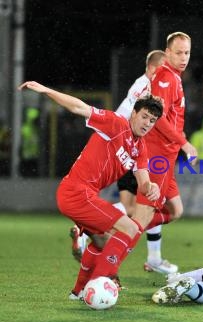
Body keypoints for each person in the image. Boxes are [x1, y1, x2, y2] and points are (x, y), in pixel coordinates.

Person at [18, 81, 163, 299]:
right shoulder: (116, 124)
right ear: (133, 112)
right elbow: (79, 107)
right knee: (131, 229)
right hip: (76, 193)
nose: (147, 123)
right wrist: (47, 90)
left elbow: (143, 182)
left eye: (152, 121)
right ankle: (102, 282)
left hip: (84, 195)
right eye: (144, 116)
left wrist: (151, 188)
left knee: (101, 241)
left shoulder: (140, 148)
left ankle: (77, 292)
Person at [69, 50, 178, 274]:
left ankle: (152, 256)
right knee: (147, 209)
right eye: (164, 68)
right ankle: (94, 237)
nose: (167, 73)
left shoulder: (149, 86)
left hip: (131, 147)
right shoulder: (149, 88)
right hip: (130, 148)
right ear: (152, 69)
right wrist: (182, 141)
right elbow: (156, 120)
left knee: (140, 208)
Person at [132, 32, 198, 265]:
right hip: (156, 154)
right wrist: (185, 143)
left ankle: (119, 232)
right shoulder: (166, 78)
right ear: (167, 53)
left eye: (187, 53)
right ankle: (105, 260)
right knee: (142, 217)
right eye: (178, 52)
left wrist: (180, 140)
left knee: (176, 210)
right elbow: (157, 118)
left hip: (166, 156)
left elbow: (170, 117)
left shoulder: (173, 77)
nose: (183, 57)